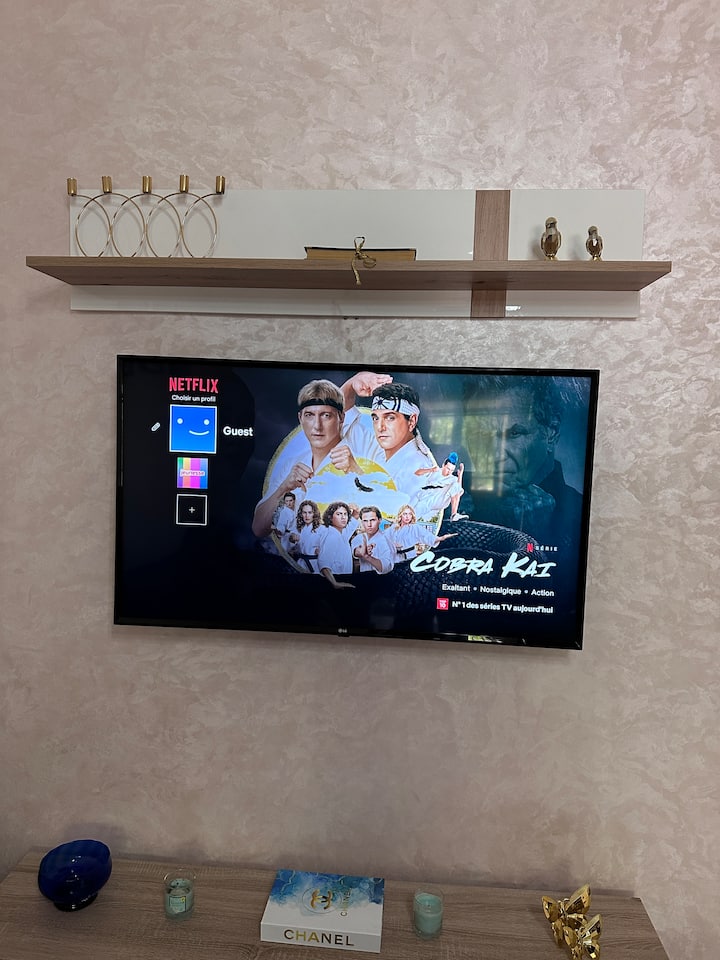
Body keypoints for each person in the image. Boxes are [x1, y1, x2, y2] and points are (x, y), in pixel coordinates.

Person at [473, 376, 584, 547]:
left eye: (514, 433)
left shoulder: (578, 513)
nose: (494, 456)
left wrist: (543, 532)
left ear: (551, 433)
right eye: (482, 435)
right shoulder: (457, 500)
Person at [252, 379, 363, 538]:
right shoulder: (292, 465)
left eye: (326, 415)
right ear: (300, 419)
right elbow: (258, 528)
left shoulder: (360, 450)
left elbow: (385, 507)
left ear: (341, 417)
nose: (317, 425)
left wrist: (354, 470)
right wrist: (284, 488)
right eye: (309, 415)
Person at [341, 380, 437, 502]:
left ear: (411, 421)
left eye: (390, 418)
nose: (380, 427)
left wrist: (353, 468)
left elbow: (386, 508)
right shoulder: (379, 447)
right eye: (375, 418)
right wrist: (352, 385)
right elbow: (339, 415)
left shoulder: (421, 468)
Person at [409, 452, 468, 522]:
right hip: (427, 497)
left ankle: (454, 514)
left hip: (440, 498)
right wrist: (431, 469)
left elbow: (458, 490)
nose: (449, 472)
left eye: (452, 470)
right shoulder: (435, 470)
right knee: (412, 517)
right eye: (448, 469)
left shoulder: (453, 479)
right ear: (443, 465)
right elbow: (417, 473)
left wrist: (460, 475)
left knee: (456, 485)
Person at [390, 503, 458, 562]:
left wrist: (442, 538)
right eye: (405, 514)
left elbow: (427, 537)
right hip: (394, 557)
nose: (407, 516)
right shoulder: (393, 527)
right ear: (400, 515)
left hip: (409, 556)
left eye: (410, 514)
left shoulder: (415, 528)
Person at [317, 501, 356, 589]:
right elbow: (323, 562)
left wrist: (354, 508)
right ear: (330, 517)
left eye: (345, 514)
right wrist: (334, 583)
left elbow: (355, 517)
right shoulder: (331, 536)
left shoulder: (343, 533)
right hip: (335, 580)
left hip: (344, 578)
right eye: (339, 514)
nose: (343, 517)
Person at [351, 506, 395, 574]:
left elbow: (386, 567)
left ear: (379, 520)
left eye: (372, 520)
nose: (369, 524)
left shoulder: (386, 540)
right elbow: (355, 552)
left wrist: (367, 557)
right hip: (363, 578)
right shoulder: (359, 538)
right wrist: (361, 551)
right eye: (365, 521)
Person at [288, 499, 324, 573]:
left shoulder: (322, 529)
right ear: (301, 514)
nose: (307, 516)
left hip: (315, 564)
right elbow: (291, 542)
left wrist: (322, 550)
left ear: (314, 514)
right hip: (300, 563)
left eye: (310, 512)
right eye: (304, 512)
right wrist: (292, 538)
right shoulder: (298, 527)